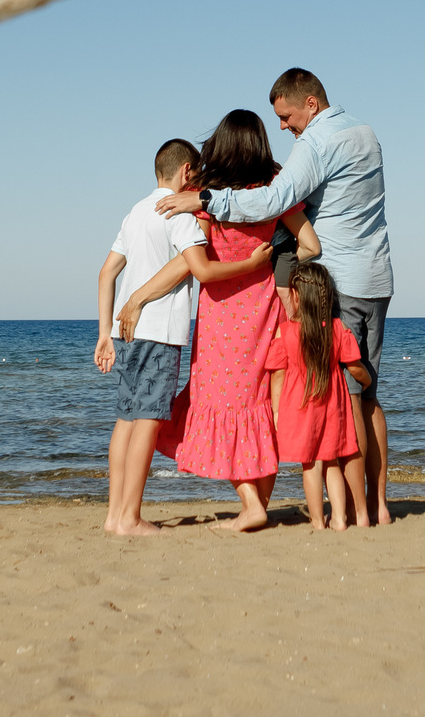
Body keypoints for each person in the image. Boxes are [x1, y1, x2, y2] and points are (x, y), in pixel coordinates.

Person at [158, 68, 398, 523]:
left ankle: (352, 513)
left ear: (310, 103)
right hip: (377, 277)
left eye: (287, 116)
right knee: (365, 395)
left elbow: (272, 201)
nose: (284, 127)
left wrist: (207, 201)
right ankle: (378, 506)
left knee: (341, 404)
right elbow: (302, 227)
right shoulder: (367, 134)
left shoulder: (314, 145)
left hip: (331, 283)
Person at [116, 110, 317, 532]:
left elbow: (189, 265)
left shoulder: (209, 196)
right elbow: (310, 246)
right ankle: (257, 503)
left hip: (221, 319)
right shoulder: (274, 192)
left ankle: (251, 505)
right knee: (259, 407)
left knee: (215, 407)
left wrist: (138, 296)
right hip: (265, 312)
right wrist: (270, 270)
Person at [92, 139, 227, 536]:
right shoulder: (179, 211)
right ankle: (130, 518)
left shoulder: (134, 213)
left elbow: (105, 273)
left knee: (126, 420)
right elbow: (191, 265)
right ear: (188, 171)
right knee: (147, 422)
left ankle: (115, 515)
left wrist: (104, 333)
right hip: (159, 331)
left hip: (124, 333)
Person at [264, 261, 371, 528]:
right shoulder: (336, 329)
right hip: (332, 404)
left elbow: (277, 376)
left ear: (296, 296)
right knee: (331, 462)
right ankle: (339, 518)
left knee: (310, 466)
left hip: (299, 407)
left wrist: (277, 412)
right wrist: (367, 382)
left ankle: (317, 521)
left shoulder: (286, 331)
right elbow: (355, 366)